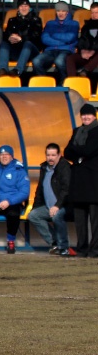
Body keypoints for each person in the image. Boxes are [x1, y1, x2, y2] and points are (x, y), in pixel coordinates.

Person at [63, 104, 98, 258]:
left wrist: (77, 151)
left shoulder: (97, 131)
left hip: (93, 181)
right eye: (83, 115)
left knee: (95, 220)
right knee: (80, 218)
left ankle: (95, 249)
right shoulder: (77, 131)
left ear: (94, 116)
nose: (86, 117)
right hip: (78, 182)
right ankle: (81, 248)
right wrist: (80, 153)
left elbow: (90, 150)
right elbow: (66, 152)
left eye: (88, 115)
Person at [28, 143, 72, 256]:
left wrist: (57, 206)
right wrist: (35, 207)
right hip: (48, 206)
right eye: (48, 155)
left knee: (57, 216)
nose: (50, 158)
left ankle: (64, 247)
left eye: (53, 155)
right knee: (33, 215)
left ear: (59, 155)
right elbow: (40, 189)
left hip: (63, 206)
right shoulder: (44, 168)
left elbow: (66, 190)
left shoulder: (64, 167)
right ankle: (55, 242)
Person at [33, 1, 79, 80]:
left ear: (67, 12)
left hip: (66, 50)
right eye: (58, 11)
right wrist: (62, 42)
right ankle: (44, 82)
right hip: (51, 50)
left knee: (59, 61)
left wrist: (53, 35)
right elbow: (44, 38)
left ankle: (63, 81)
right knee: (36, 61)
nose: (60, 13)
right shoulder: (50, 23)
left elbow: (70, 37)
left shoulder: (74, 23)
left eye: (63, 11)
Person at [0, 0, 42, 77]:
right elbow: (6, 33)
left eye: (26, 6)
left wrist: (21, 39)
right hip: (17, 50)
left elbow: (36, 36)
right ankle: (3, 69)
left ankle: (18, 70)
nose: (24, 8)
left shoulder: (36, 20)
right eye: (21, 6)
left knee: (28, 43)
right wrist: (10, 37)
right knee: (4, 43)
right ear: (18, 8)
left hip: (31, 51)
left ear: (29, 7)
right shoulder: (12, 20)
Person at [66, 2, 98, 80]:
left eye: (96, 12)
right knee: (70, 58)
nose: (94, 15)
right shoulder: (86, 26)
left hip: (96, 55)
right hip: (85, 54)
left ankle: (85, 71)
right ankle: (72, 82)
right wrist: (82, 50)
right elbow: (81, 40)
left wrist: (93, 51)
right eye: (92, 13)